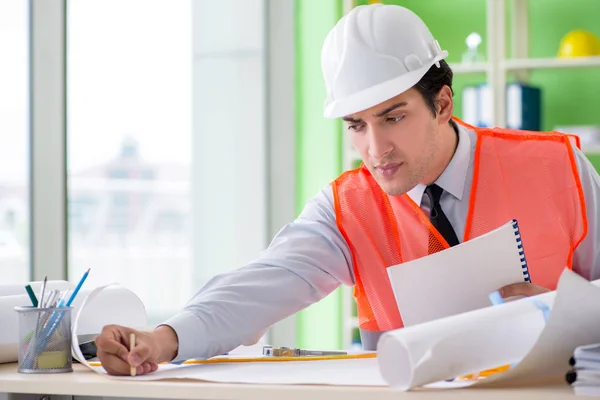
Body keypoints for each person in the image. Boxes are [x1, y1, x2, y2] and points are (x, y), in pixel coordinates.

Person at [94, 4, 600, 376]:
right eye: (356, 125)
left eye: (393, 116)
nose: (375, 148)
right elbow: (261, 286)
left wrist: (566, 316)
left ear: (442, 104)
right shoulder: (346, 208)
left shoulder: (559, 169)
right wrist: (161, 339)